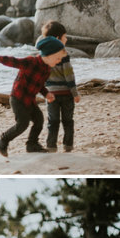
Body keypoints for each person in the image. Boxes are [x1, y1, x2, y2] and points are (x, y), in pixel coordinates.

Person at [0, 35, 59, 156]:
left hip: (30, 100)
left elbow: (39, 85)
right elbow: (13, 61)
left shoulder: (47, 69)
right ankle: (3, 139)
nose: (58, 60)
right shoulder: (31, 62)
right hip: (18, 98)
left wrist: (46, 93)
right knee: (22, 124)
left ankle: (32, 145)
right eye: (56, 57)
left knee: (39, 120)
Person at [42, 19, 79, 153]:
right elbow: (69, 75)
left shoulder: (44, 56)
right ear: (58, 38)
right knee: (68, 121)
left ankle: (51, 146)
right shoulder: (63, 55)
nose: (67, 39)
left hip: (51, 95)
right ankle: (67, 146)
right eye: (65, 36)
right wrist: (75, 93)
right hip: (66, 94)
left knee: (53, 121)